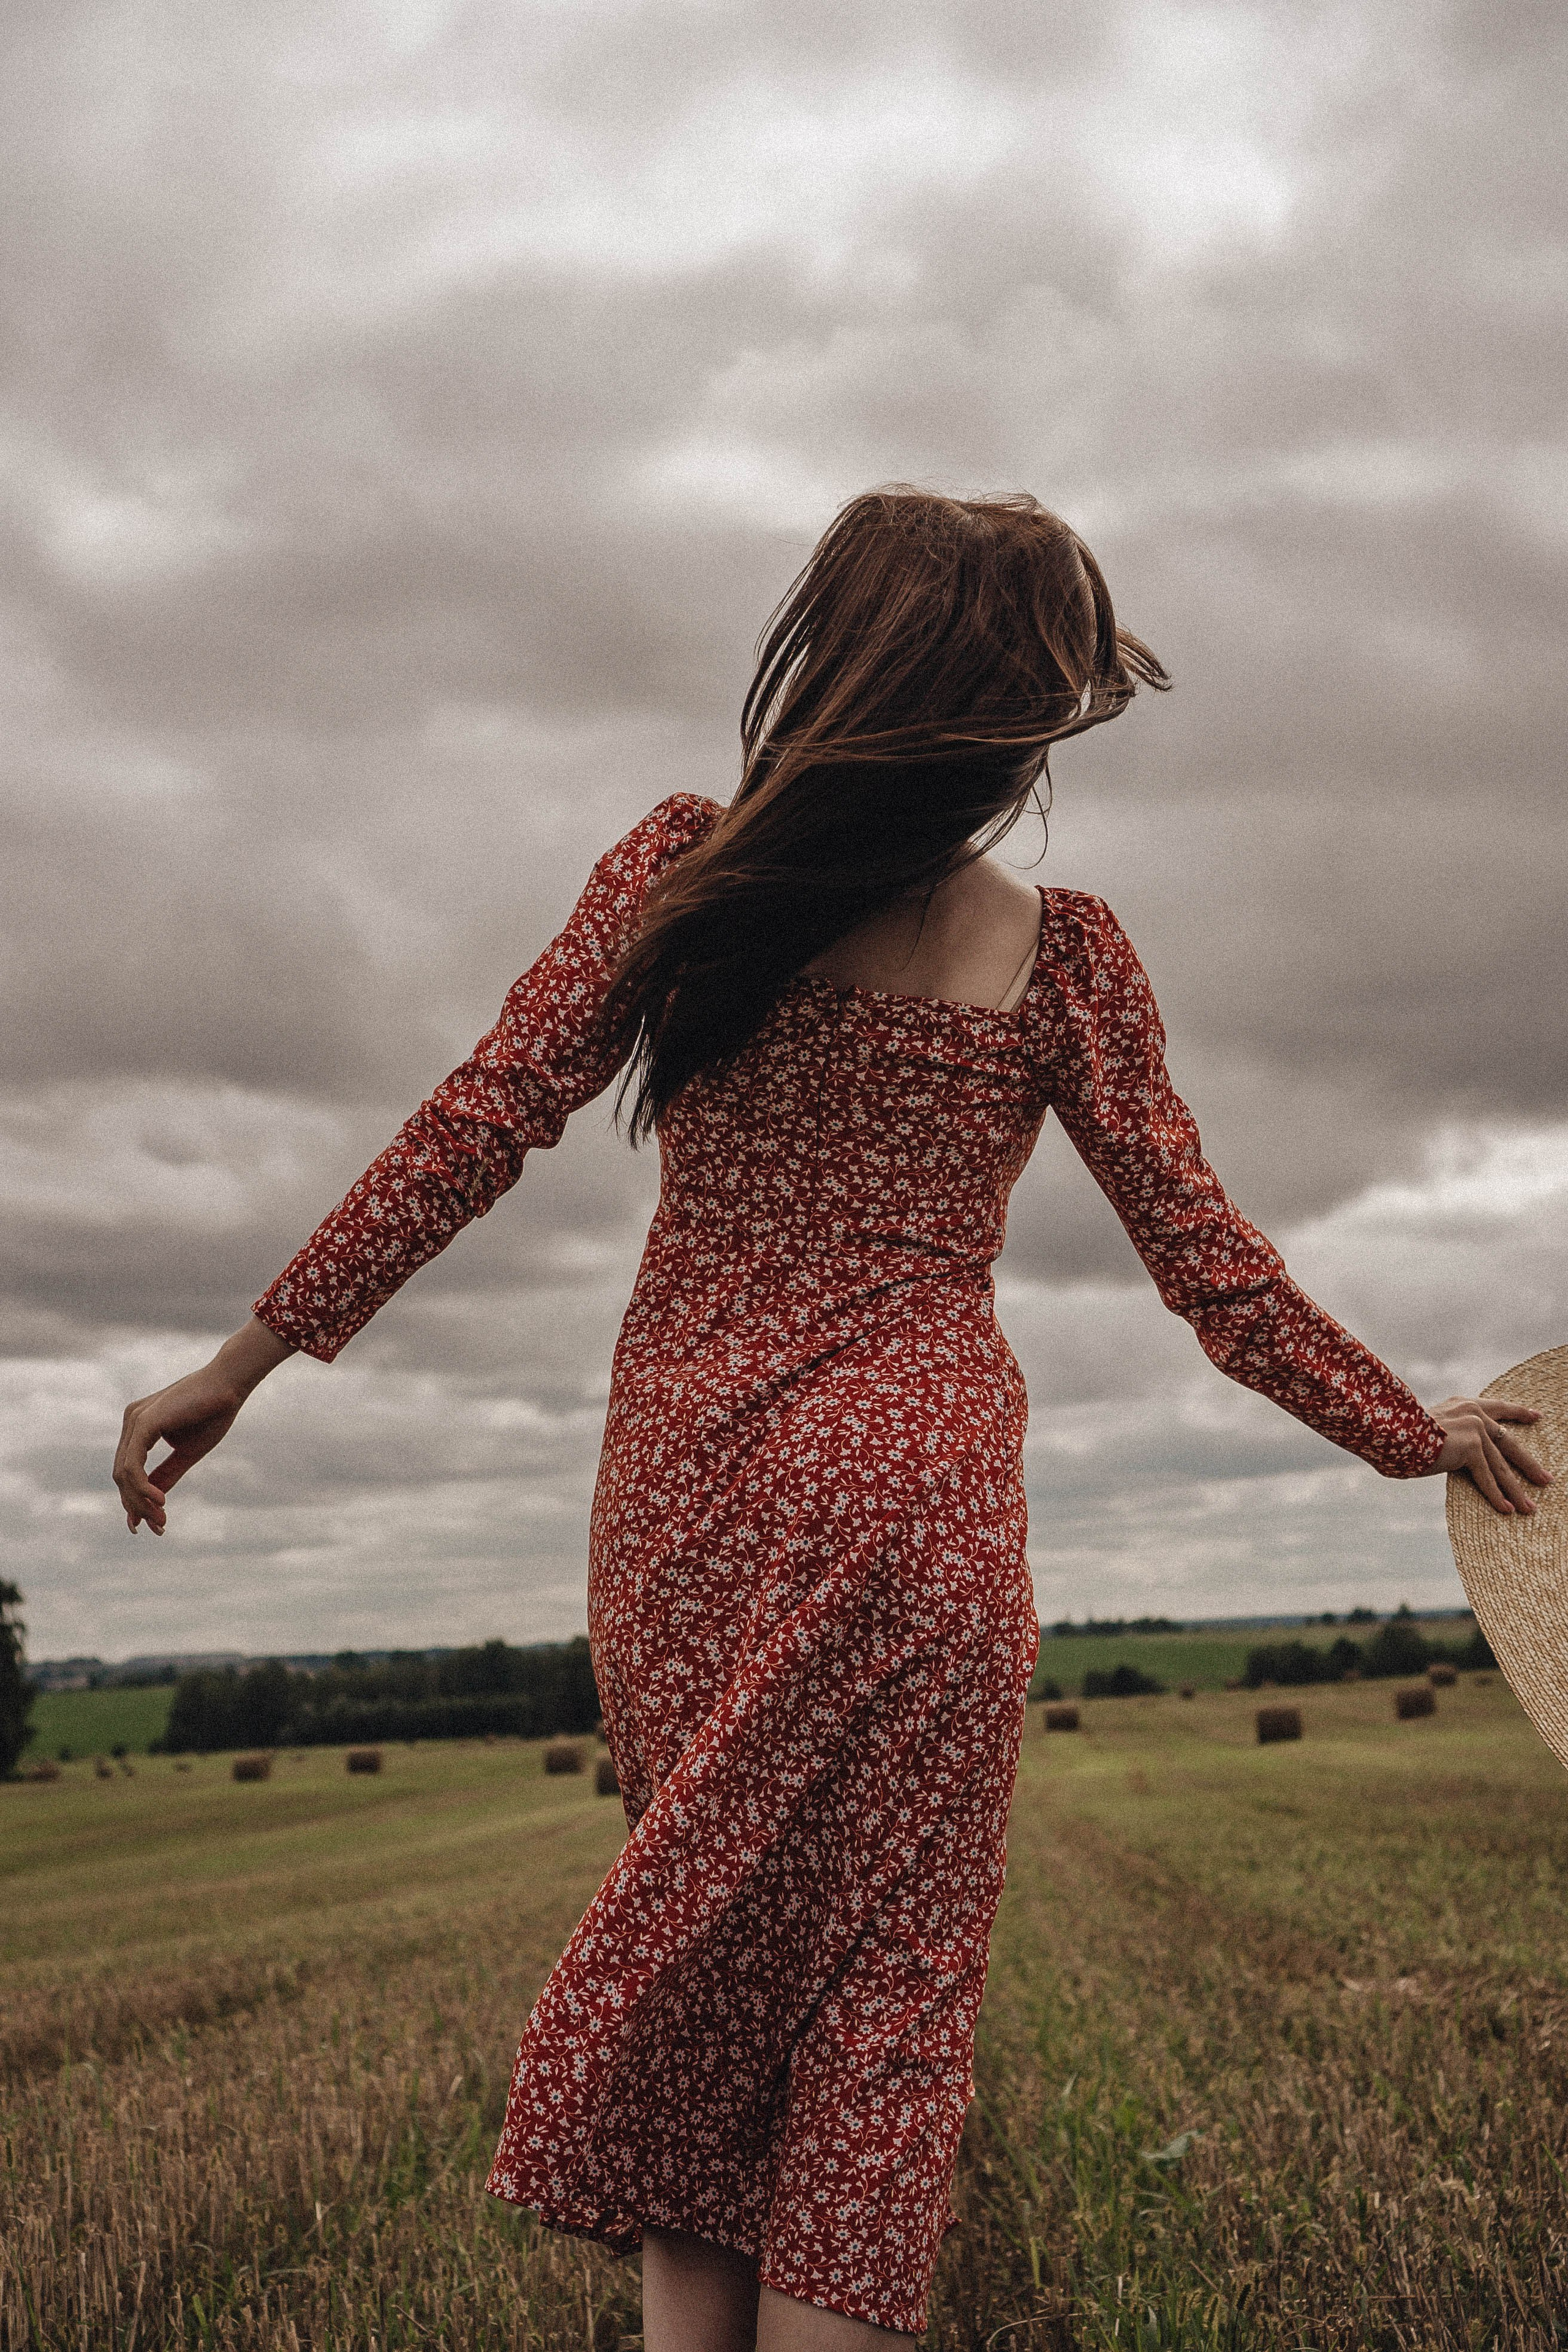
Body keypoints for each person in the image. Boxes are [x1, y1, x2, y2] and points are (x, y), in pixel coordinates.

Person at [112, 488, 1549, 2350]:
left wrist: (246, 1357)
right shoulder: (1070, 961)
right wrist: (1397, 1425)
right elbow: (1211, 1269)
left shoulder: (683, 878)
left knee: (709, 1980)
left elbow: (480, 1122)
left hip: (689, 1495)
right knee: (885, 1999)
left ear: (839, 662)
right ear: (1018, 721)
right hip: (922, 1500)